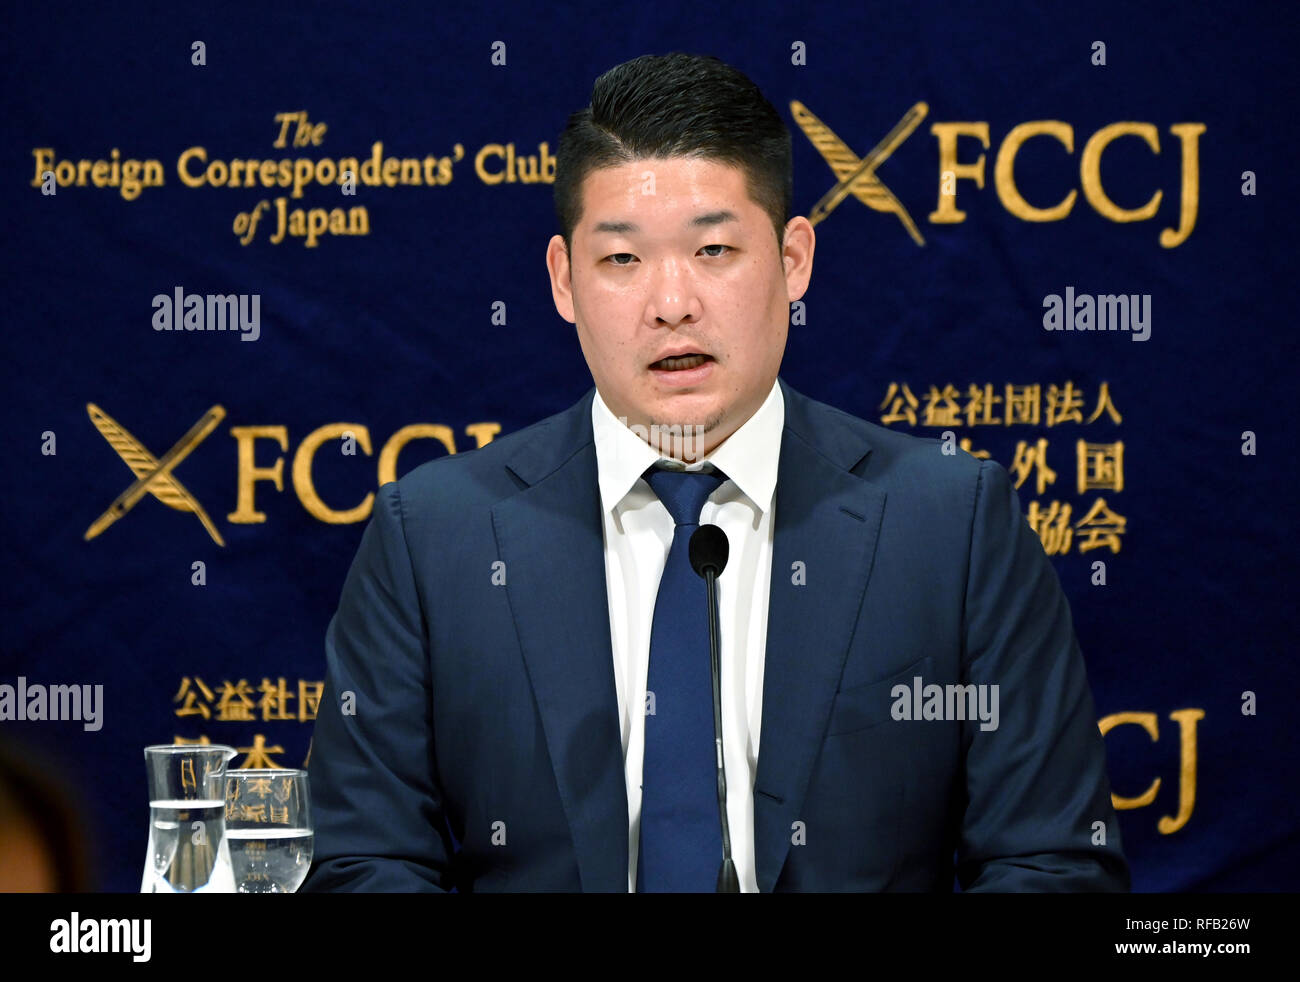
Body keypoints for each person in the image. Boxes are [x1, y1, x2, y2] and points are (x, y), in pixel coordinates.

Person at [301, 52, 1129, 893]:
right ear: (563, 281)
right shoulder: (435, 538)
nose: (671, 302)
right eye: (622, 260)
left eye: (714, 249)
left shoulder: (949, 524)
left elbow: (1051, 864)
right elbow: (366, 863)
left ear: (794, 259)